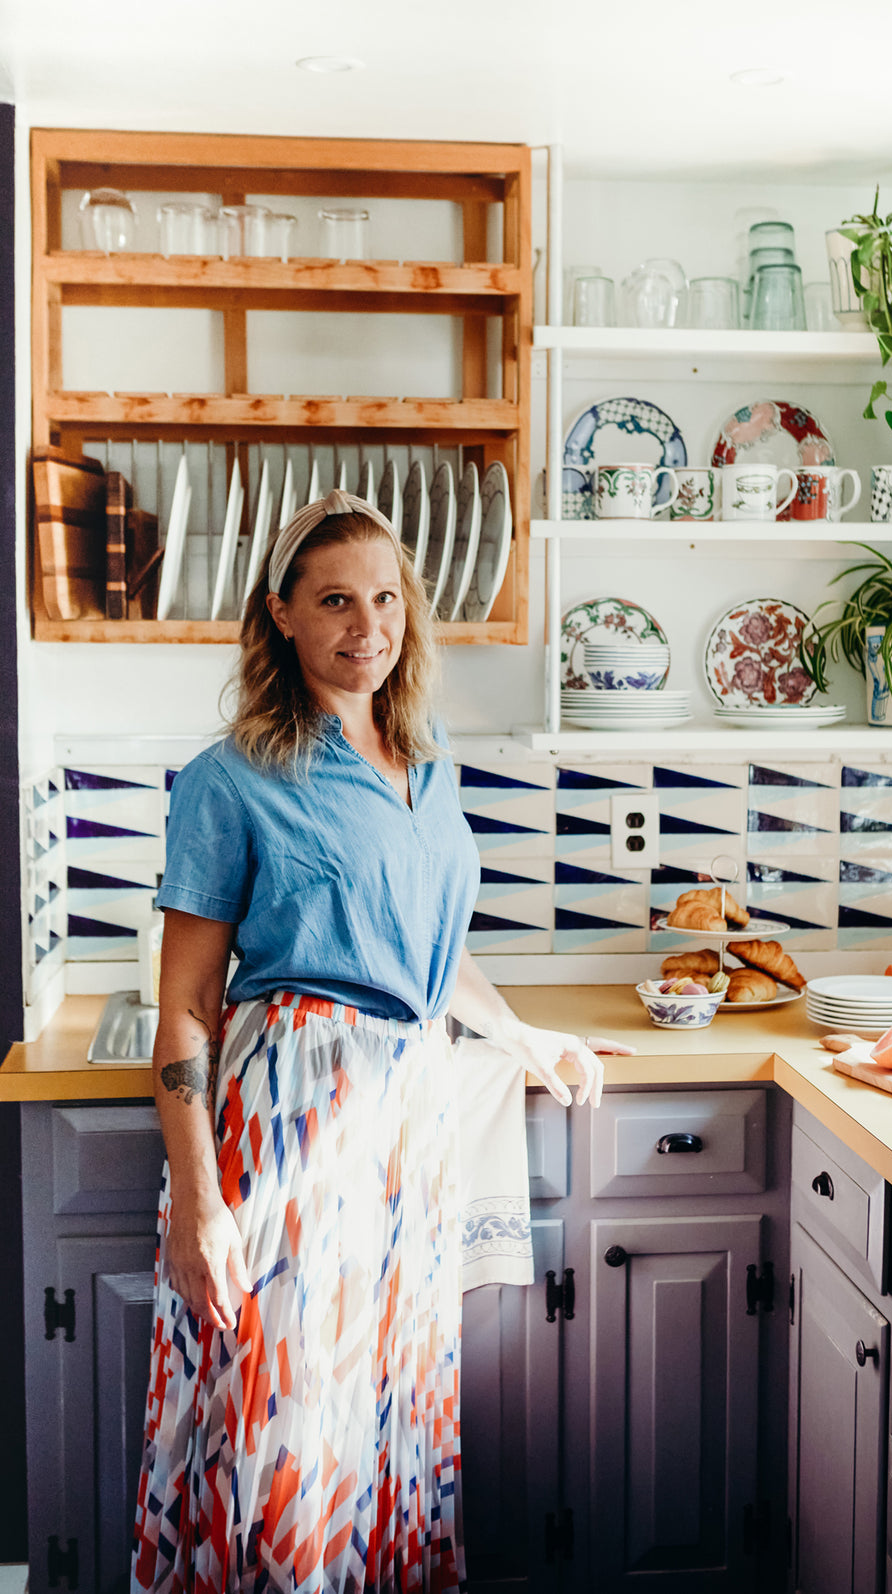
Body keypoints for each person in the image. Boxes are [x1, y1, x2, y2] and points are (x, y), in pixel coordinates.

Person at [130, 490, 631, 1593]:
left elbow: (425, 953)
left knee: (390, 1409)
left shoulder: (427, 757)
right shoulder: (233, 778)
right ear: (282, 617)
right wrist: (202, 1200)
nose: (369, 625)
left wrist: (522, 1034)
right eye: (336, 601)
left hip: (409, 1122)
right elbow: (183, 1007)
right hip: (290, 1123)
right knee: (287, 1419)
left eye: (387, 597)